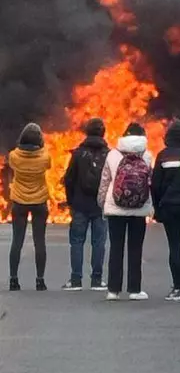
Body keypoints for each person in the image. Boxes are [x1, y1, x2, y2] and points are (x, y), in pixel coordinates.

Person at [97, 122, 153, 301]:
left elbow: (105, 181)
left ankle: (113, 290)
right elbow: (150, 182)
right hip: (138, 209)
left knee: (116, 248)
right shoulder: (147, 155)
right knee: (136, 248)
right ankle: (134, 290)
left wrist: (102, 202)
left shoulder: (113, 154)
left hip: (116, 207)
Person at [62, 118, 109, 291]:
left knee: (76, 242)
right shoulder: (109, 155)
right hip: (100, 206)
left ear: (87, 132)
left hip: (80, 205)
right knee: (99, 242)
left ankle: (76, 280)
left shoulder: (78, 154)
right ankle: (97, 280)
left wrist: (71, 202)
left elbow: (69, 179)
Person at [7, 123, 51, 291]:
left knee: (17, 241)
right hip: (39, 201)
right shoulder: (45, 157)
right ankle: (40, 281)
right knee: (39, 242)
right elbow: (48, 165)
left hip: (19, 201)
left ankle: (13, 280)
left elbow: (12, 165)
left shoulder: (14, 156)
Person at [152, 119, 180, 301]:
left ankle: (177, 288)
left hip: (169, 206)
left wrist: (157, 208)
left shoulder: (163, 156)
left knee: (174, 247)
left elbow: (155, 185)